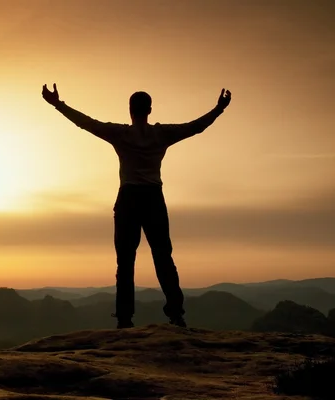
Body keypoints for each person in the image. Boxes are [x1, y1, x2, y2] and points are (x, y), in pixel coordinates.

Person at [42, 84, 232, 329]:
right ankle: (176, 314)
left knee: (125, 260)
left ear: (130, 110)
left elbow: (86, 122)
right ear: (150, 110)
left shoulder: (120, 134)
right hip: (154, 198)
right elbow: (196, 127)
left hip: (129, 198)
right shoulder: (162, 134)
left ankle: (124, 318)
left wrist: (58, 104)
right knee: (163, 257)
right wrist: (218, 109)